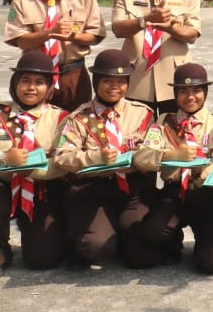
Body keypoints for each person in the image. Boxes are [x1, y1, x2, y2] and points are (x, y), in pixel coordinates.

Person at [52, 49, 158, 269]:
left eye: (121, 81)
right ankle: (80, 235)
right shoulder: (79, 117)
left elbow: (153, 150)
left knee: (140, 258)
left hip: (133, 190)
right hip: (94, 190)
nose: (114, 87)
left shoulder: (143, 114)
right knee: (96, 246)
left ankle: (123, 235)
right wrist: (96, 157)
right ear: (95, 81)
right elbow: (63, 157)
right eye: (107, 80)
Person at [134, 63, 213, 274]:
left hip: (206, 194)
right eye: (183, 91)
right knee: (152, 232)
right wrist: (169, 155)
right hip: (174, 193)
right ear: (175, 94)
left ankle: (209, 242)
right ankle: (173, 242)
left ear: (205, 92)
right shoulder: (163, 123)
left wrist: (198, 170)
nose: (190, 97)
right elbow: (142, 157)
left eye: (197, 90)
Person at [0, 50, 71, 278]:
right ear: (15, 84)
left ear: (50, 89)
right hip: (1, 186)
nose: (31, 88)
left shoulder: (61, 119)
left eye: (39, 82)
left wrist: (31, 169)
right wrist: (4, 159)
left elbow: (62, 161)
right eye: (25, 81)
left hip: (42, 188)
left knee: (42, 259)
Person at [3, 0, 105, 112]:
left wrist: (75, 36)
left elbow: (95, 36)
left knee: (75, 127)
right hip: (35, 78)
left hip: (73, 76)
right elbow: (20, 40)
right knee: (34, 128)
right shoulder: (23, 0)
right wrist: (49, 33)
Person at [109, 0, 202, 115]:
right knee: (136, 134)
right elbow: (118, 29)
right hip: (137, 77)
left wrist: (171, 28)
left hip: (175, 78)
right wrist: (145, 20)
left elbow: (192, 34)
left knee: (175, 133)